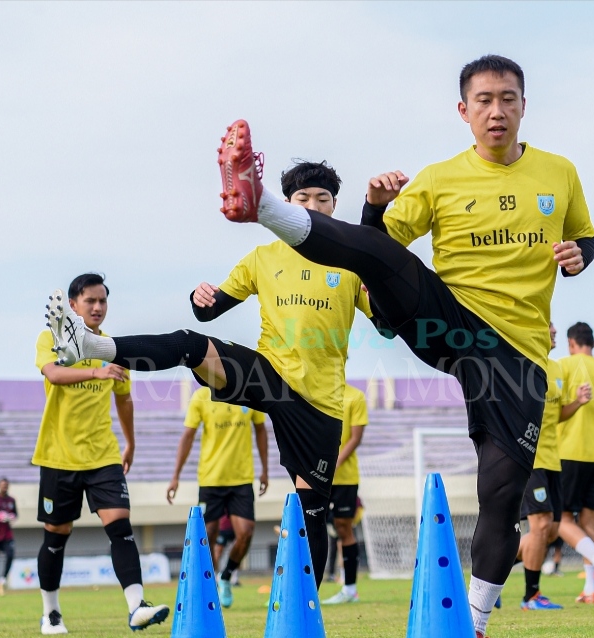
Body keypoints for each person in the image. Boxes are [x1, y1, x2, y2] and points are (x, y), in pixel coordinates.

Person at [215, 54, 594, 638]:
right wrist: (370, 204)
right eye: (483, 100)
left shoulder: (560, 173)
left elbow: (587, 239)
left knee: (501, 494)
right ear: (463, 111)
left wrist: (581, 255)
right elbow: (379, 243)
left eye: (507, 98)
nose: (496, 111)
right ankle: (258, 201)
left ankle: (471, 624)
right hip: (448, 319)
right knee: (382, 259)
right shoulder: (440, 178)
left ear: (524, 104)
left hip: (516, 355)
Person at [45, 162, 371, 591]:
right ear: (288, 205)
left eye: (322, 199)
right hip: (269, 373)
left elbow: (384, 321)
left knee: (312, 508)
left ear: (333, 206)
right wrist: (201, 298)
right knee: (188, 343)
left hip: (319, 401)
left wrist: (380, 283)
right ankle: (91, 346)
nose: (312, 206)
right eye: (302, 199)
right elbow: (211, 308)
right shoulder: (263, 258)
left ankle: (306, 617)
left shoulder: (350, 261)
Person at [33, 273, 168, 635]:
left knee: (121, 527)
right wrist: (98, 369)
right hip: (58, 455)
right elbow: (54, 376)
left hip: (103, 455)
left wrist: (131, 441)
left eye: (102, 301)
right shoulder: (51, 338)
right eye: (90, 301)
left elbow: (124, 400)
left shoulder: (112, 347)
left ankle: (137, 607)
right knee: (56, 536)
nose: (97, 307)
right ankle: (51, 613)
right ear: (72, 305)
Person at [168, 385, 269, 607]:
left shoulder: (249, 393)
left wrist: (265, 469)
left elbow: (261, 429)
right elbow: (188, 435)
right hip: (210, 480)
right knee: (208, 537)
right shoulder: (202, 396)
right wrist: (175, 476)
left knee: (246, 532)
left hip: (241, 480)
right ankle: (211, 583)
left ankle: (226, 576)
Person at [555, 322, 594, 604]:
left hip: (569, 452)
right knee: (591, 520)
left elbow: (553, 409)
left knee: (561, 519)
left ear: (571, 343)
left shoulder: (563, 367)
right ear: (592, 342)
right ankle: (592, 588)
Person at [514, 322, 564, 610]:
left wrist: (579, 403)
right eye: (549, 327)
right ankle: (531, 596)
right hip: (531, 459)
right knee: (540, 524)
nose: (554, 331)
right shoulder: (523, 365)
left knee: (552, 530)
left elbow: (559, 414)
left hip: (553, 460)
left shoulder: (557, 369)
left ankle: (493, 569)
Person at [322, 383, 369, 604]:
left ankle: (349, 588)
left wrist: (336, 462)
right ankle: (299, 589)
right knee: (309, 526)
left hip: (345, 477)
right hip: (317, 475)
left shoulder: (355, 396)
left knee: (344, 527)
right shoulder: (314, 393)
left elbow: (356, 438)